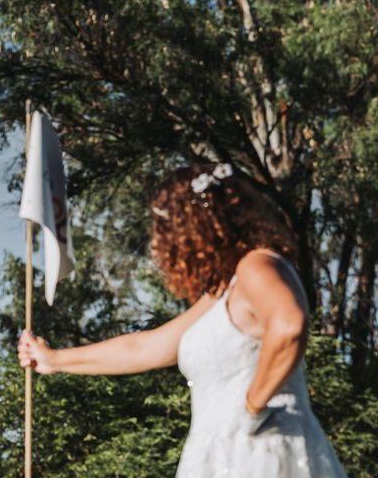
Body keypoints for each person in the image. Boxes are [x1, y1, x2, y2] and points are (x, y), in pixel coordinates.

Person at [18, 162, 348, 477]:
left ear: (197, 225)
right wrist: (53, 359)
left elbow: (289, 326)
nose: (161, 243)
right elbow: (142, 348)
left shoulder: (257, 265)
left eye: (167, 228)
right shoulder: (219, 296)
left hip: (261, 452)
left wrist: (251, 407)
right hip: (217, 458)